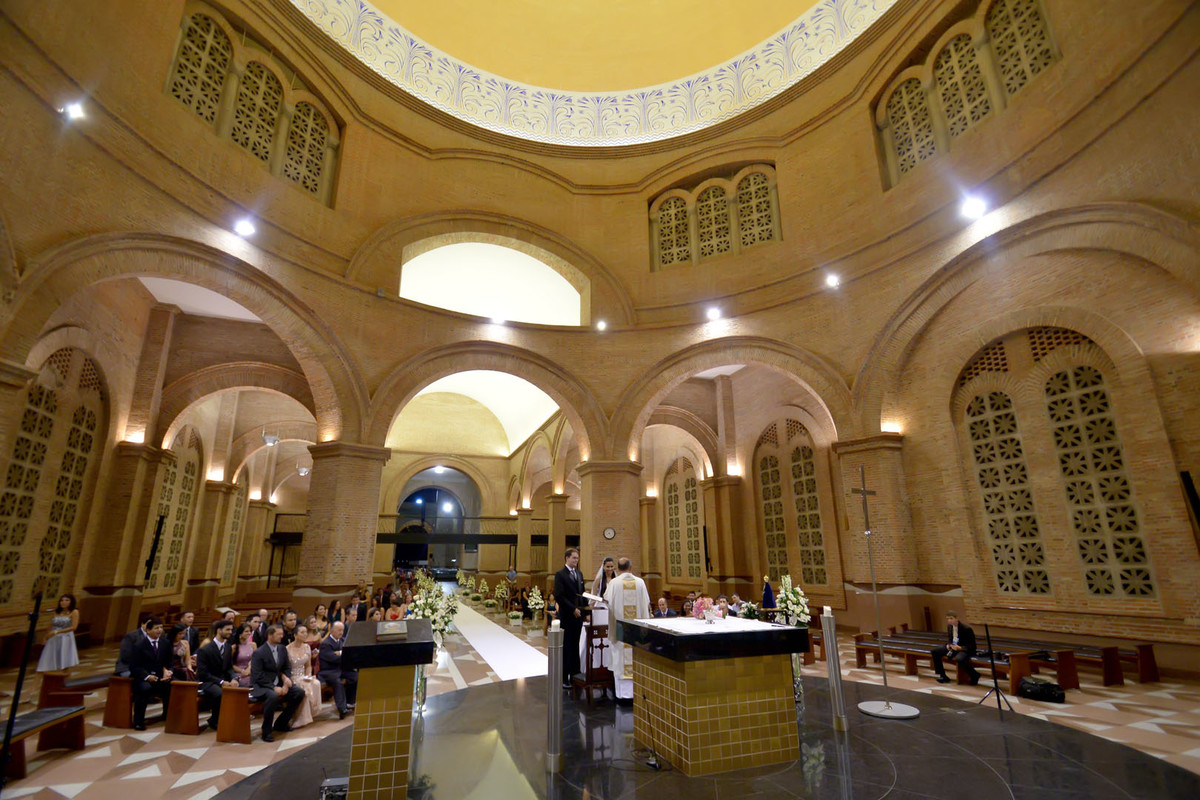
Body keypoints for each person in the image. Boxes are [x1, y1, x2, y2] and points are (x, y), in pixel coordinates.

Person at [603, 557, 651, 703]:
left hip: (621, 632)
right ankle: (636, 694)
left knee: (620, 661)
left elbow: (607, 601)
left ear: (618, 568)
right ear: (631, 568)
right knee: (635, 659)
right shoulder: (640, 582)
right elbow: (646, 603)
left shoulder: (614, 583)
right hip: (636, 633)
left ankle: (622, 696)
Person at [249, 624, 305, 742]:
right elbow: (257, 675)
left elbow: (286, 667)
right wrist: (273, 687)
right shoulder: (259, 652)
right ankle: (266, 731)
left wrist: (286, 680)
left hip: (279, 682)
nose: (282, 636)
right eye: (278, 634)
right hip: (262, 685)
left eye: (282, 634)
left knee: (299, 692)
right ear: (270, 635)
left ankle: (281, 723)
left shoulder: (282, 649)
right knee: (273, 696)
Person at [129, 616, 173, 731]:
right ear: (148, 630)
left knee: (172, 685)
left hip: (160, 676)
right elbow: (134, 666)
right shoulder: (139, 645)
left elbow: (169, 662)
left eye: (161, 628)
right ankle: (138, 721)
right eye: (156, 628)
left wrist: (168, 672)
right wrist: (147, 676)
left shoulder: (165, 643)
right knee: (145, 689)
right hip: (142, 677)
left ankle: (167, 715)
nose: (159, 630)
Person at [196, 619, 239, 731]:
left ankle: (235, 719)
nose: (230, 632)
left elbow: (229, 667)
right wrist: (221, 682)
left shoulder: (228, 647)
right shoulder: (205, 650)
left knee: (242, 688)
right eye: (228, 629)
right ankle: (215, 720)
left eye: (231, 629)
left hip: (223, 679)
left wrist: (234, 678)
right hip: (207, 681)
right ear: (219, 630)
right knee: (220, 693)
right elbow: (203, 673)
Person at [553, 547, 587, 686]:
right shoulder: (560, 574)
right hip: (567, 616)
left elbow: (582, 594)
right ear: (567, 558)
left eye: (577, 558)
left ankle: (575, 675)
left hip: (577, 617)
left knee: (575, 646)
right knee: (567, 647)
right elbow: (559, 596)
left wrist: (585, 612)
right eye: (574, 558)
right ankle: (564, 678)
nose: (576, 560)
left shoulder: (579, 574)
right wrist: (573, 609)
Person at [284, 622, 321, 728]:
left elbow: (308, 665)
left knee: (316, 683)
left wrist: (309, 675)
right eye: (302, 632)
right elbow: (286, 668)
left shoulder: (307, 647)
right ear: (295, 635)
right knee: (303, 686)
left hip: (303, 674)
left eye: (306, 632)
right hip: (293, 676)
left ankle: (312, 713)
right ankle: (300, 718)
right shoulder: (287, 649)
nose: (305, 634)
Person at [318, 620, 357, 719]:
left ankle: (350, 702)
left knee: (355, 677)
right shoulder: (325, 644)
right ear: (331, 631)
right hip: (328, 671)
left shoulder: (343, 640)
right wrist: (342, 654)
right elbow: (334, 659)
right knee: (338, 682)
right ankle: (342, 709)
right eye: (339, 630)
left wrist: (340, 652)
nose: (341, 632)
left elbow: (349, 654)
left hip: (341, 669)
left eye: (342, 630)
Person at [931, 611, 980, 685]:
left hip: (964, 649)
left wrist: (960, 648)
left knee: (959, 659)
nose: (949, 620)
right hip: (954, 647)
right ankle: (942, 675)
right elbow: (951, 638)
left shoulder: (966, 629)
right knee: (935, 651)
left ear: (957, 619)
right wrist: (949, 644)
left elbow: (972, 646)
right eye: (948, 619)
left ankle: (974, 675)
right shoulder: (950, 626)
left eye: (951, 618)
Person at [37, 593, 80, 672]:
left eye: (67, 600)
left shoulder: (74, 612)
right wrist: (45, 637)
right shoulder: (56, 612)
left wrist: (57, 632)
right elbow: (50, 625)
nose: (63, 602)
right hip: (53, 638)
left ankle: (65, 678)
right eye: (62, 600)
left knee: (64, 661)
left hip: (66, 638)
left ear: (71, 602)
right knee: (47, 659)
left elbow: (74, 627)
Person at [232, 623, 256, 687]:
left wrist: (249, 669)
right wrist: (242, 671)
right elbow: (230, 664)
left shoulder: (253, 645)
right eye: (246, 631)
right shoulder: (234, 647)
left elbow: (255, 660)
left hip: (251, 671)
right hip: (239, 672)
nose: (249, 633)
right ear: (240, 633)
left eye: (250, 631)